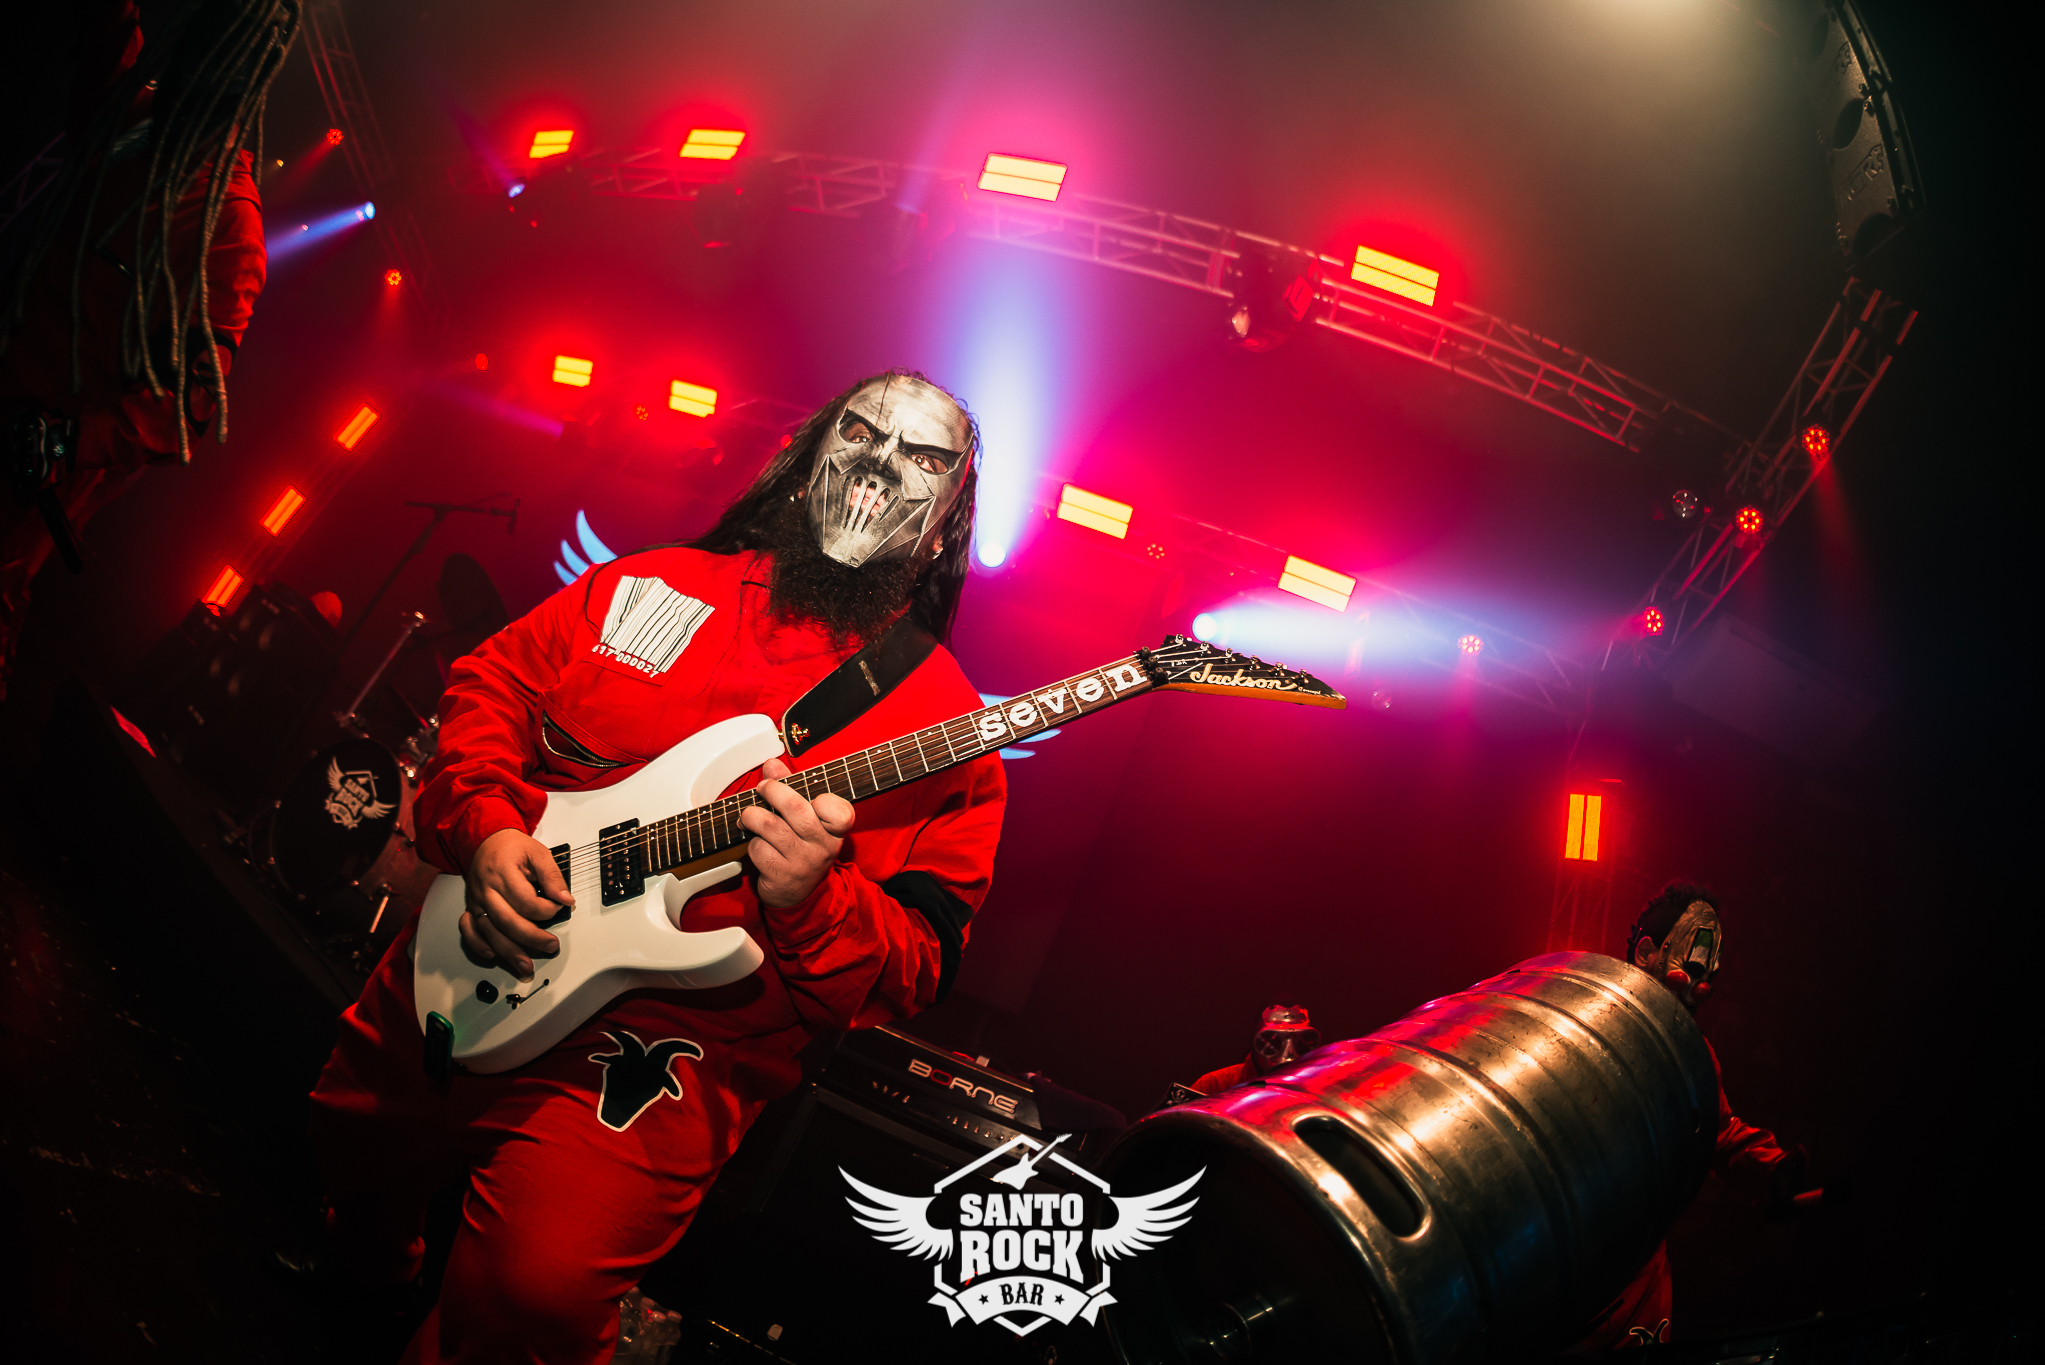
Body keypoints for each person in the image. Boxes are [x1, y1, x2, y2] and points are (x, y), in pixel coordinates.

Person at [307, 371, 1008, 1364]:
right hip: (485, 941)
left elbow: (918, 961)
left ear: (941, 532)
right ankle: (372, 1271)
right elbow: (493, 687)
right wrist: (487, 827)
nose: (880, 469)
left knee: (532, 1296)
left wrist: (814, 900)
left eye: (923, 459)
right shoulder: (650, 585)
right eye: (859, 435)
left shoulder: (951, 733)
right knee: (350, 1138)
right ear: (804, 462)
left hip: (668, 1046)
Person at [0, 0, 294, 691]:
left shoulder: (229, 228)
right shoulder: (139, 120)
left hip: (26, 473)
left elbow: (185, 410)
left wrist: (66, 443)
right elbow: (104, 64)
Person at [1570, 881, 1822, 1352]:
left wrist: (1772, 1171)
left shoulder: (1691, 1057)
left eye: (1710, 976)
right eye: (1691, 969)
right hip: (1564, 1266)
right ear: (1647, 953)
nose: (1703, 988)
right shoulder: (1579, 1019)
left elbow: (1718, 1132)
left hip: (1635, 1294)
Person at [1189, 1003, 1320, 1095]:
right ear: (1256, 1038)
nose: (1289, 1051)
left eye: (1298, 1040)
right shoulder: (1213, 1086)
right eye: (1274, 1039)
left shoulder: (1319, 1089)